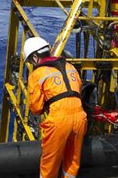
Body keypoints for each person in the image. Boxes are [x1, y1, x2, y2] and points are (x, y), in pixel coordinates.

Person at [23, 37, 87, 178]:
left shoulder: (37, 74)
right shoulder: (70, 67)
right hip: (81, 118)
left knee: (49, 163)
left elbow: (36, 108)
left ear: (35, 57)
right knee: (72, 161)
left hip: (59, 121)